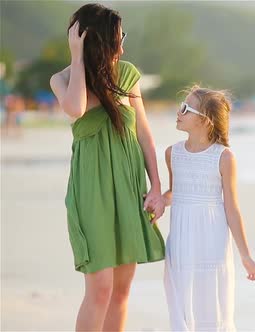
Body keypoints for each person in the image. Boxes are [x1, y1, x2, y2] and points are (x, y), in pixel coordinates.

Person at [49, 4, 166, 331]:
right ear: (97, 40)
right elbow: (77, 107)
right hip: (92, 189)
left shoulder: (127, 74)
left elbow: (144, 133)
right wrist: (77, 57)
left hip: (129, 186)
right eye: (117, 38)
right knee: (99, 288)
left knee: (122, 289)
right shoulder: (63, 79)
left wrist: (156, 187)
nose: (123, 46)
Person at [162, 85, 255, 331]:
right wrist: (160, 200)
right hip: (181, 242)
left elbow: (232, 209)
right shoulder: (171, 153)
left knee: (212, 306)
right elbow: (175, 192)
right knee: (181, 307)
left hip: (212, 243)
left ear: (205, 121)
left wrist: (245, 255)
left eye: (186, 108)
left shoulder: (224, 157)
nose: (179, 112)